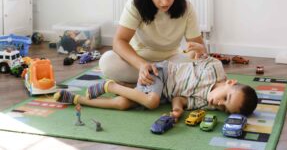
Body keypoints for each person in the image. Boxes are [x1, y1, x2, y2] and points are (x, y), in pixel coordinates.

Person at [99, 0, 207, 84]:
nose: (165, 2)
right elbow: (119, 42)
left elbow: (198, 47)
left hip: (171, 62)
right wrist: (142, 65)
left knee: (200, 67)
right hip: (138, 61)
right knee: (107, 61)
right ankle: (162, 84)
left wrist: (200, 51)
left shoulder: (186, 7)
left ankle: (146, 85)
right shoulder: (136, 4)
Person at [54, 56, 258, 120]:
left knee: (124, 104)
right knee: (151, 102)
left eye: (224, 108)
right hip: (161, 72)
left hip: (163, 94)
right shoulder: (216, 69)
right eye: (226, 98)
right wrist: (198, 50)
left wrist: (178, 109)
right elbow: (200, 55)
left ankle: (77, 99)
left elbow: (180, 98)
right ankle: (111, 85)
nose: (218, 103)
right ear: (230, 82)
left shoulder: (207, 104)